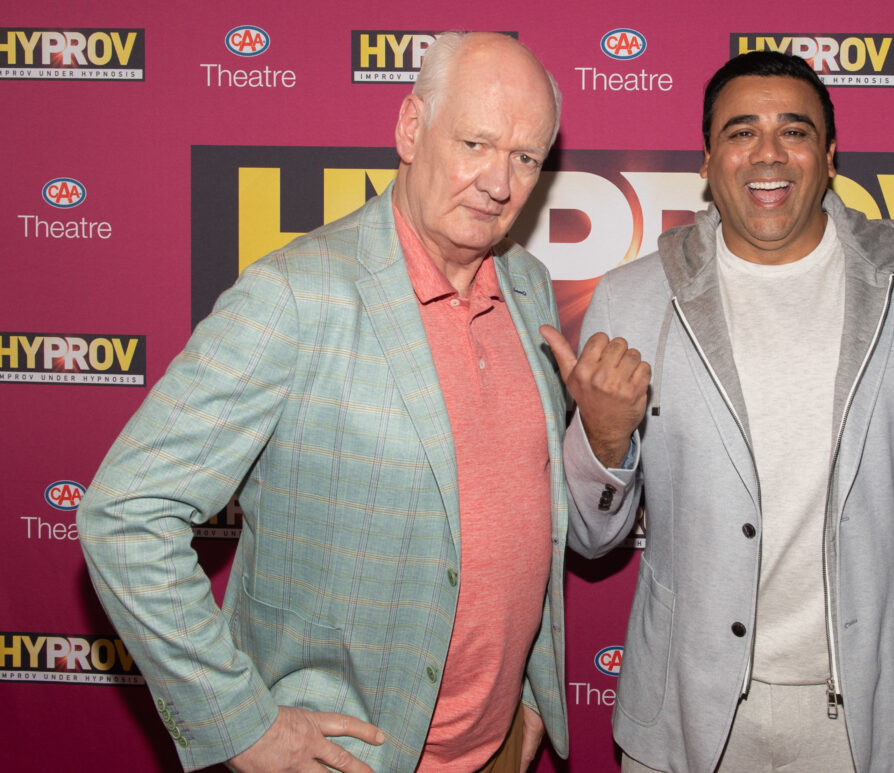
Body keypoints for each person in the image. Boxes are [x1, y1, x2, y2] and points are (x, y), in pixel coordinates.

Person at [79, 31, 569, 773]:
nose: (498, 182)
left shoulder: (528, 284)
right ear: (411, 128)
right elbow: (123, 513)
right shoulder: (294, 296)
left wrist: (527, 704)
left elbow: (520, 513)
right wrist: (240, 723)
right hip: (352, 756)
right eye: (475, 142)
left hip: (498, 748)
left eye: (525, 157)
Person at [541, 51, 894, 773]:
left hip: (869, 720)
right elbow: (590, 537)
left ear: (828, 156)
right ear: (708, 160)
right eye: (741, 132)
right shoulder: (634, 297)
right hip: (683, 720)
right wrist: (605, 440)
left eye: (793, 131)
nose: (768, 154)